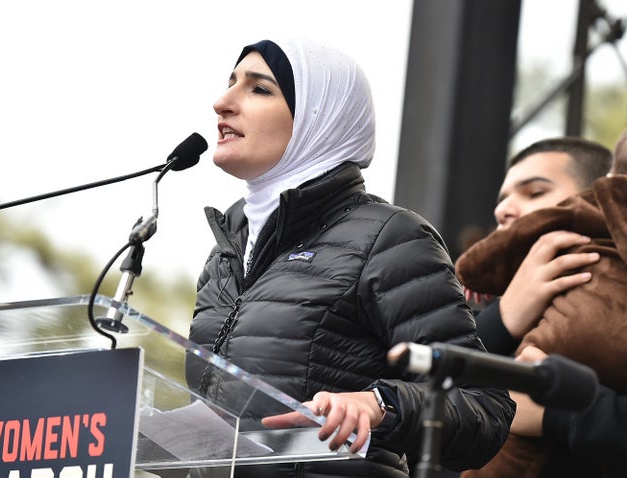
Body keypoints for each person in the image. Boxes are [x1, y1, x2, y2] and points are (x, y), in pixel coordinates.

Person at [185, 37, 514, 478]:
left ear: (320, 118)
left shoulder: (389, 238)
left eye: (258, 89)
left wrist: (380, 404)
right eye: (230, 83)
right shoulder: (227, 250)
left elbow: (484, 407)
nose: (222, 102)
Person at [456, 133, 627, 478]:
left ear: (599, 200)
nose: (502, 209)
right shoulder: (476, 319)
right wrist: (503, 320)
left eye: (535, 192)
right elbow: (415, 404)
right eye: (502, 199)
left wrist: (562, 414)